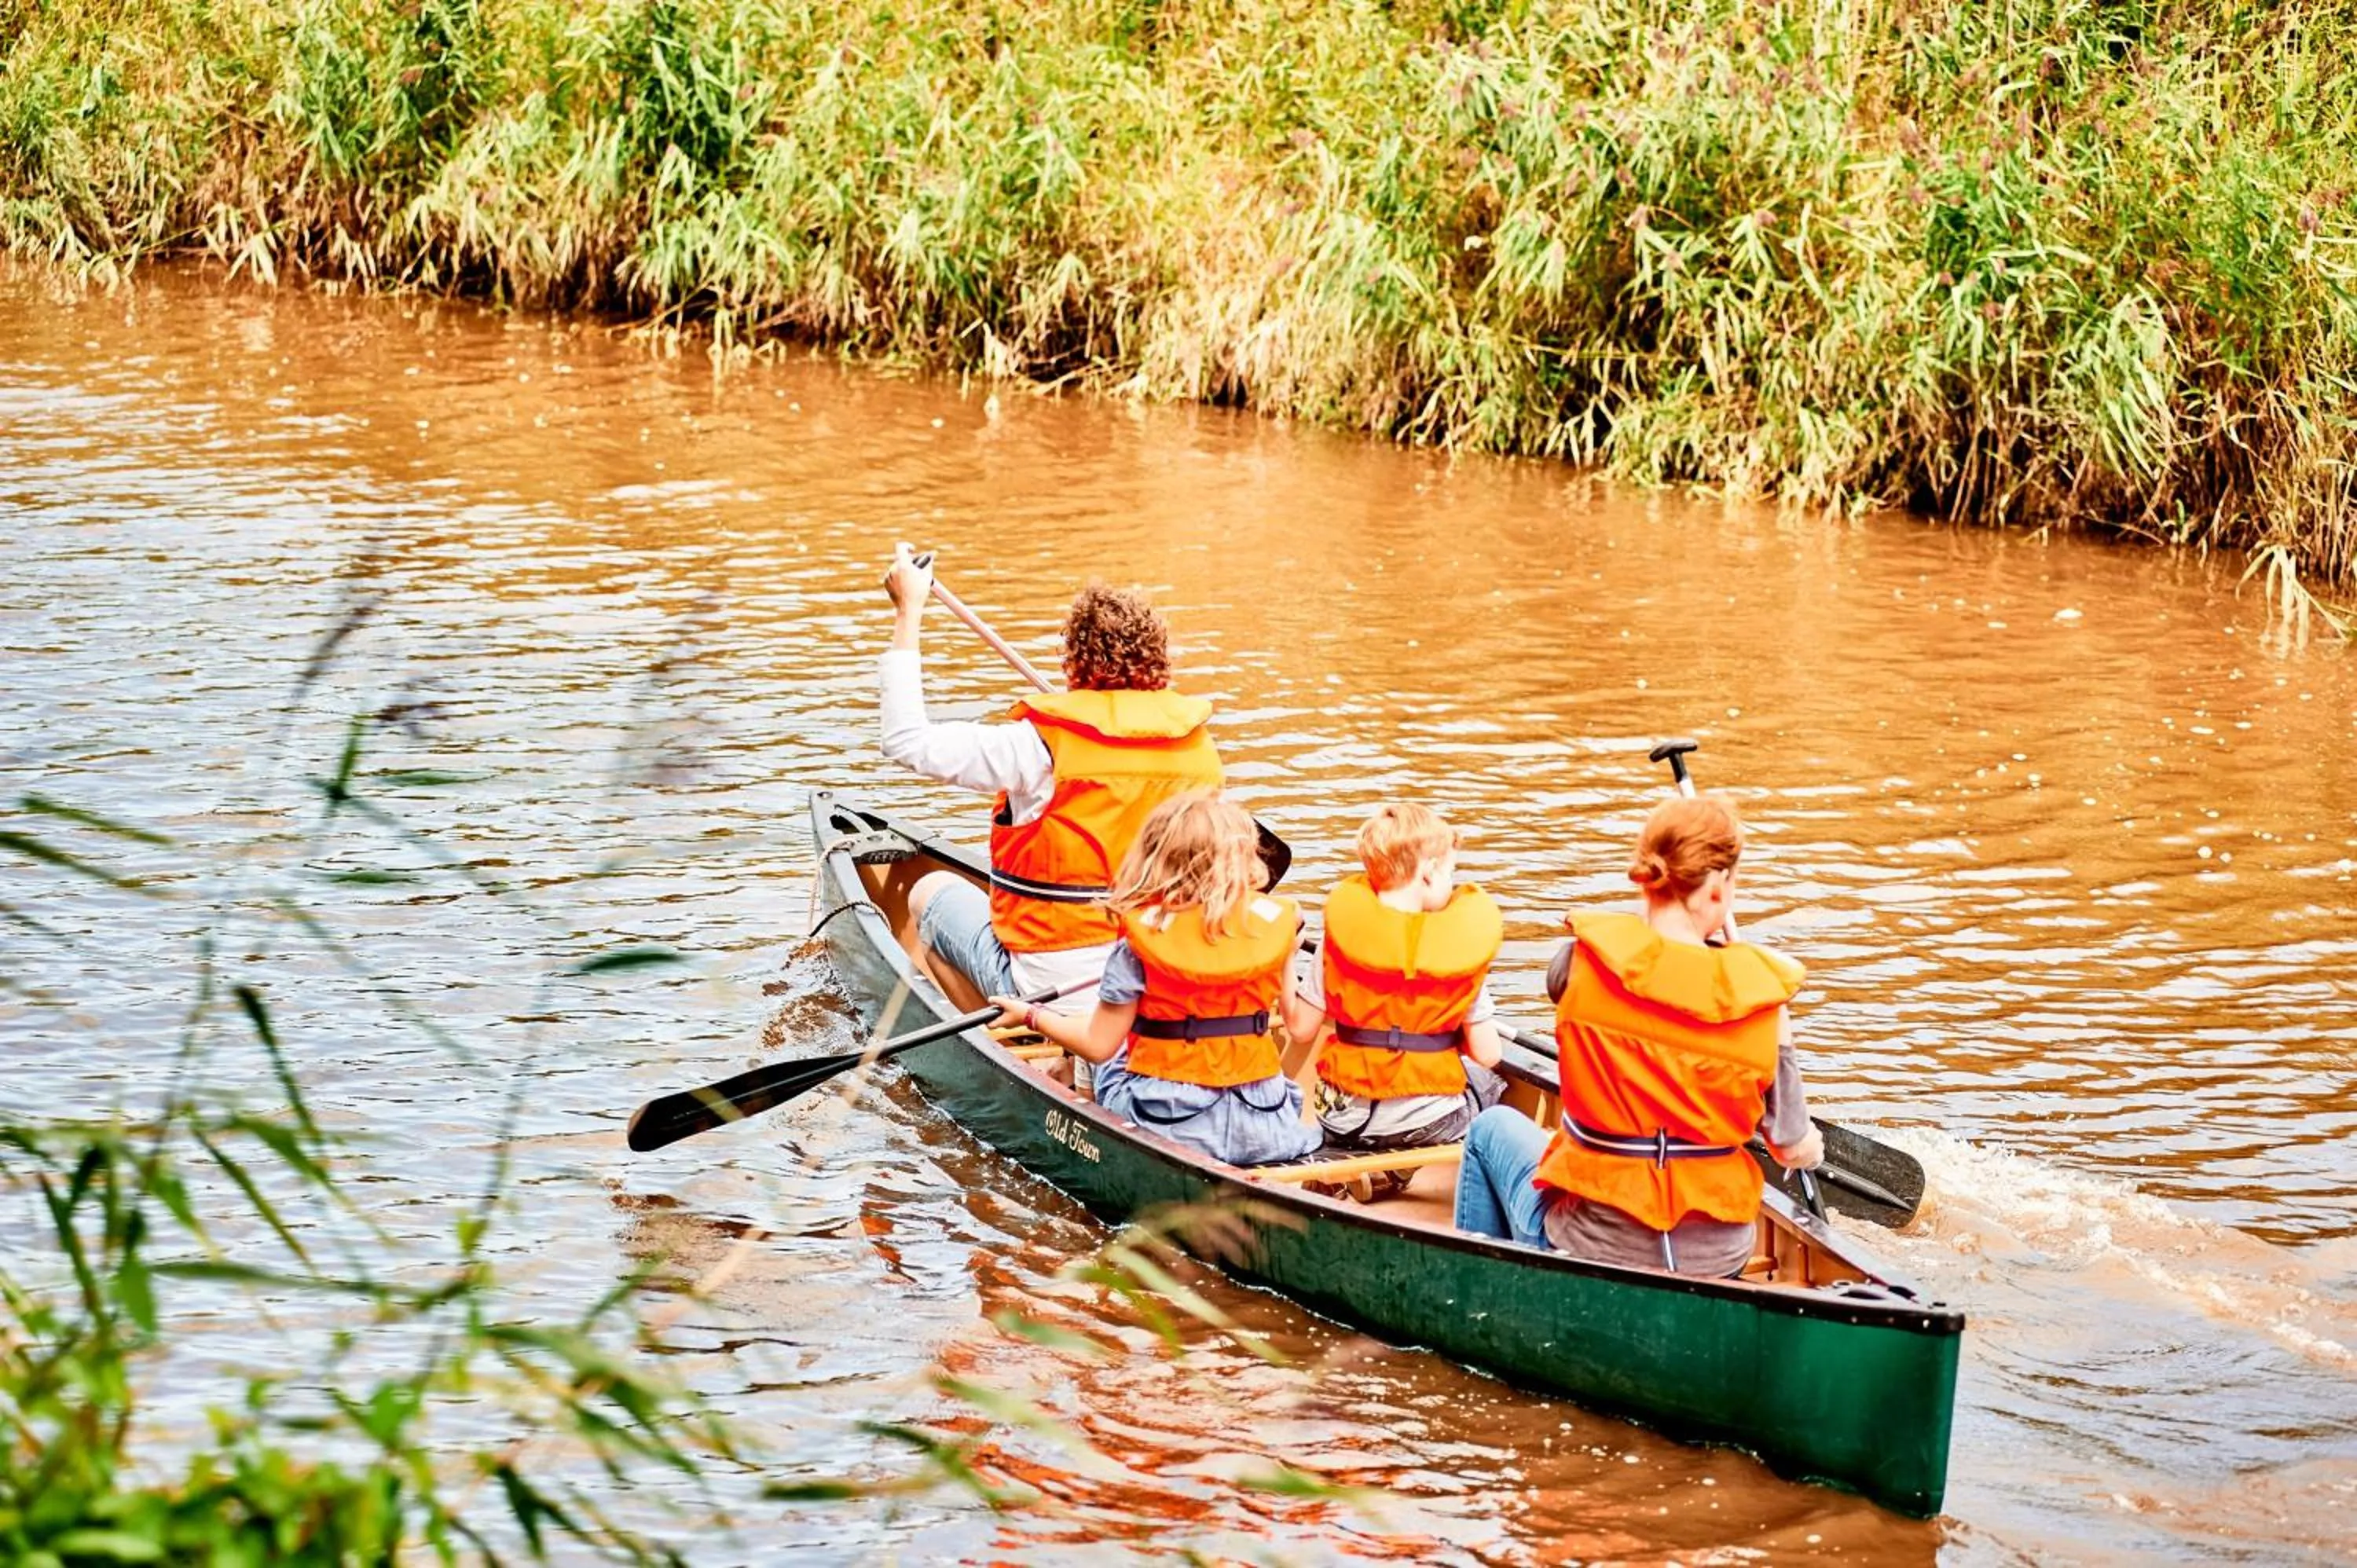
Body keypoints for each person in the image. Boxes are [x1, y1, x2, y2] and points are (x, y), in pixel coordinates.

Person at [1453, 793, 1825, 1277]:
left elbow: (1642, 981)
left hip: (1592, 1245)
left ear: (1646, 876)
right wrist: (1811, 1145)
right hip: (1716, 1260)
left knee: (1489, 1129)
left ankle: (1478, 1290)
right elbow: (1790, 1145)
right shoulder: (1766, 1006)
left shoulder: (1577, 963)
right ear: (1718, 889)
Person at [879, 543, 1223, 1012]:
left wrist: (909, 612)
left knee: (926, 896)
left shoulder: (1036, 748)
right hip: (1164, 969)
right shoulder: (1199, 748)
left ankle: (1013, 1040)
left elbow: (906, 741)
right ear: (1159, 662)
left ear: (1072, 663)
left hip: (1061, 983)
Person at [997, 789, 1321, 1167]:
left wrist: (1030, 1015)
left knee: (1107, 1035)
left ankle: (1080, 1119)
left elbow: (1098, 1045)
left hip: (1172, 1127)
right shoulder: (1277, 928)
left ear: (1158, 860)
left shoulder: (1138, 944)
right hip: (1266, 1126)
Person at [1289, 804, 1506, 1193]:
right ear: (1428, 871)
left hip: (1343, 1119)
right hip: (1428, 1124)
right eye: (1451, 872)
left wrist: (1285, 961)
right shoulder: (1459, 947)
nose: (1453, 883)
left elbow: (1303, 1029)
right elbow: (1489, 1053)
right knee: (1488, 1085)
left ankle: (1357, 1166)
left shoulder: (1341, 938)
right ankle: (1398, 1173)